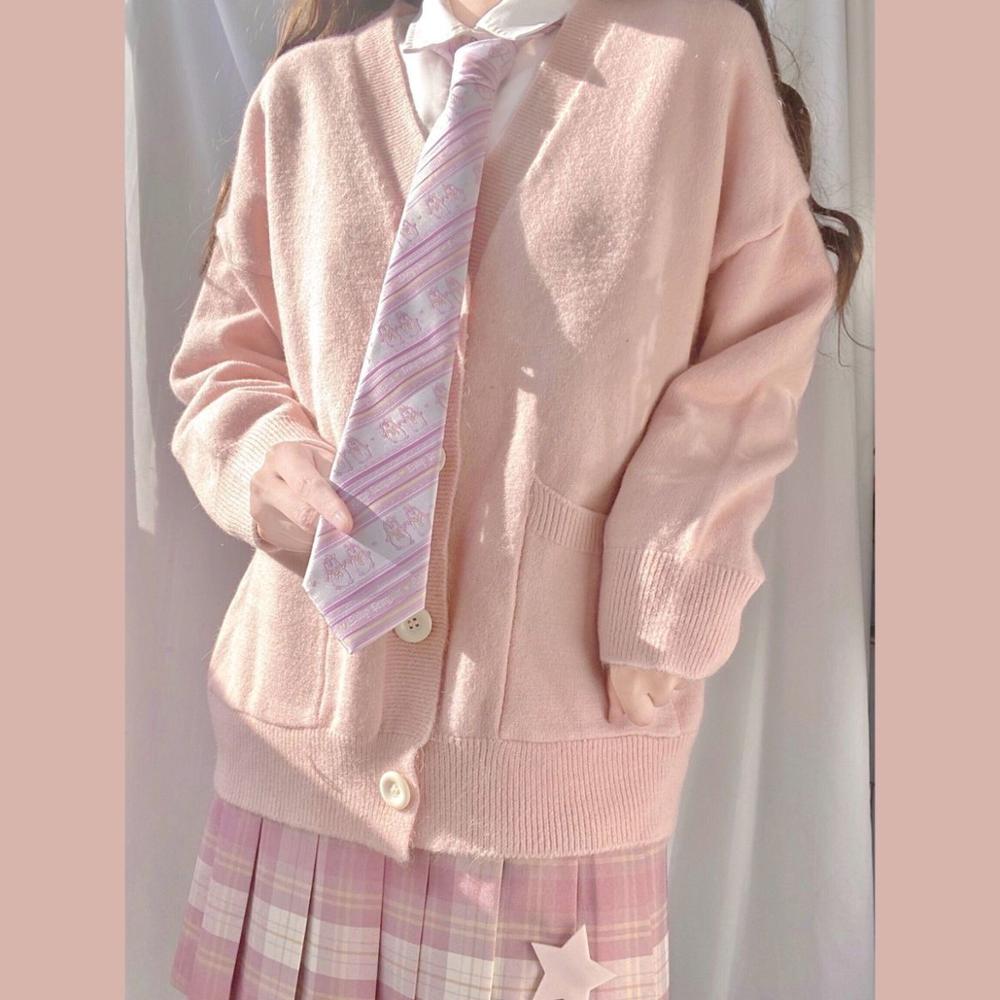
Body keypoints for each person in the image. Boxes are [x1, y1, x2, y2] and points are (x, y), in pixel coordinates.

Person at [167, 0, 863, 997]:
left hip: (545, 785)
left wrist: (664, 583)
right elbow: (226, 360)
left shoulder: (691, 59)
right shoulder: (305, 96)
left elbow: (759, 341)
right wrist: (262, 459)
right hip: (298, 771)